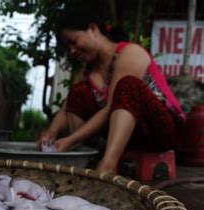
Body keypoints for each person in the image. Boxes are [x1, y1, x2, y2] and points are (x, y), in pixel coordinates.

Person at [37, 8, 186, 174]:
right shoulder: (86, 74)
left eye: (73, 42)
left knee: (127, 85)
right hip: (134, 138)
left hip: (164, 131)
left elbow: (110, 107)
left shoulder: (130, 53)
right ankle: (81, 158)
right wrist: (52, 131)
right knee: (77, 93)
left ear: (93, 29)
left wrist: (71, 140)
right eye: (68, 47)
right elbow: (66, 109)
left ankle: (108, 165)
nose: (72, 51)